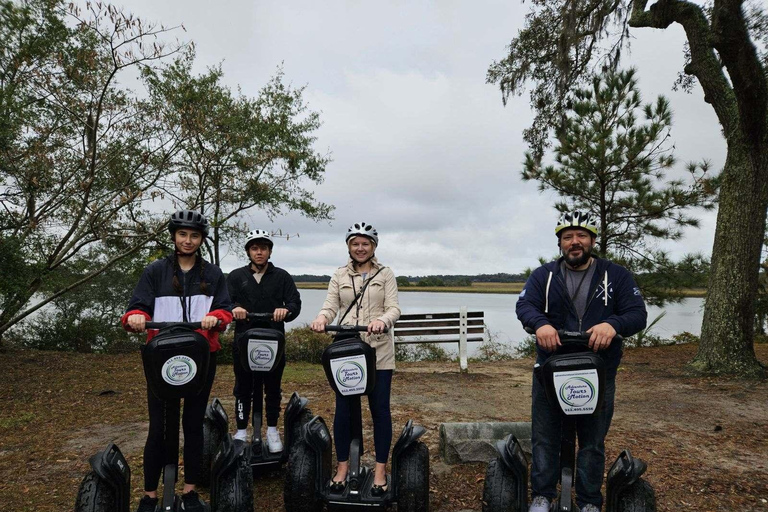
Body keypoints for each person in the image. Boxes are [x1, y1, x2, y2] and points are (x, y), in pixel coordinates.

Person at [516, 211, 647, 512]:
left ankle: (589, 501)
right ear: (560, 243)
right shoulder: (544, 276)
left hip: (598, 372)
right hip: (550, 369)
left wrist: (612, 324)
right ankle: (543, 495)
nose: (575, 242)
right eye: (567, 237)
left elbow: (637, 313)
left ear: (592, 240)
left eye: (581, 236)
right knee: (545, 435)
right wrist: (540, 324)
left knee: (591, 440)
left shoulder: (616, 275)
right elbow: (524, 304)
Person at [122, 209, 233, 512]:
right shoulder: (155, 271)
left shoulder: (212, 274)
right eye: (182, 234)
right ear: (174, 236)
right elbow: (138, 306)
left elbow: (225, 309)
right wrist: (136, 318)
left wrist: (216, 318)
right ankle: (150, 494)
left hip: (202, 355)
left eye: (194, 235)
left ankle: (190, 491)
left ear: (201, 239)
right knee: (160, 425)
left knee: (193, 422)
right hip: (162, 356)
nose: (188, 240)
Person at [310, 222, 401, 496]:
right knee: (345, 410)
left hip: (378, 351)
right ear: (348, 246)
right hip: (347, 351)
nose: (360, 248)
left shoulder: (386, 274)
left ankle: (381, 469)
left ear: (374, 246)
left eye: (365, 243)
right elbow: (331, 304)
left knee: (379, 410)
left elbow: (394, 307)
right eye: (355, 243)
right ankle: (343, 466)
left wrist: (382, 321)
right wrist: (322, 318)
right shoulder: (339, 274)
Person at [226, 229, 302, 452]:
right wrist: (234, 308)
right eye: (255, 248)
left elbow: (295, 303)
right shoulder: (236, 276)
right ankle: (241, 430)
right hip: (243, 340)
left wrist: (285, 310)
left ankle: (271, 429)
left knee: (273, 387)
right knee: (242, 387)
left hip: (273, 341)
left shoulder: (282, 276)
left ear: (270, 251)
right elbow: (224, 302)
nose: (259, 252)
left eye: (263, 248)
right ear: (249, 251)